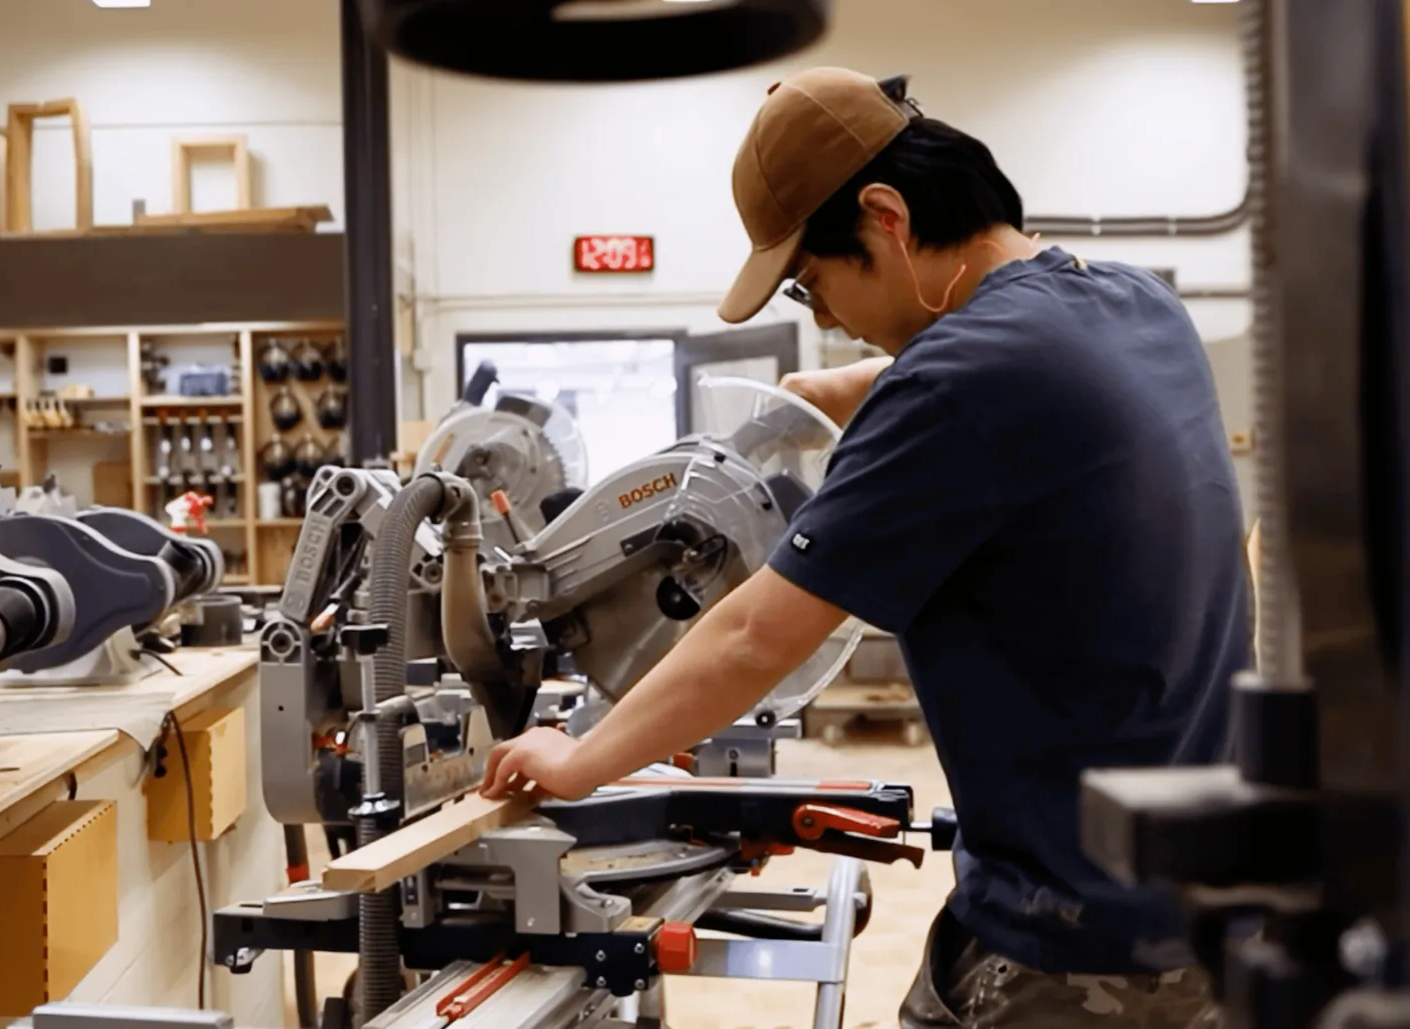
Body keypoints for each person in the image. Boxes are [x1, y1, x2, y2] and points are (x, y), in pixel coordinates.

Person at [481, 66, 1245, 1028]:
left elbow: (757, 635)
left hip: (1082, 953)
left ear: (886, 216)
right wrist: (852, 391)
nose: (828, 320)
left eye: (812, 285)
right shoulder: (1136, 303)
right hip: (1208, 916)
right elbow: (1011, 368)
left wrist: (580, 756)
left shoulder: (959, 380)